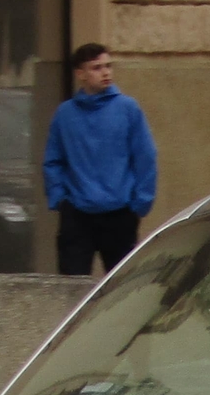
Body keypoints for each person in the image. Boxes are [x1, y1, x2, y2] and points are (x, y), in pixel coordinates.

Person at [41, 42, 157, 275]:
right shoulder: (65, 114)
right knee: (71, 286)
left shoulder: (127, 108)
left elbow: (145, 156)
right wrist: (59, 198)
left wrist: (140, 204)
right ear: (80, 74)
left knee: (120, 287)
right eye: (96, 68)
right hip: (77, 213)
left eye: (108, 66)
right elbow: (53, 159)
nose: (105, 72)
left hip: (119, 213)